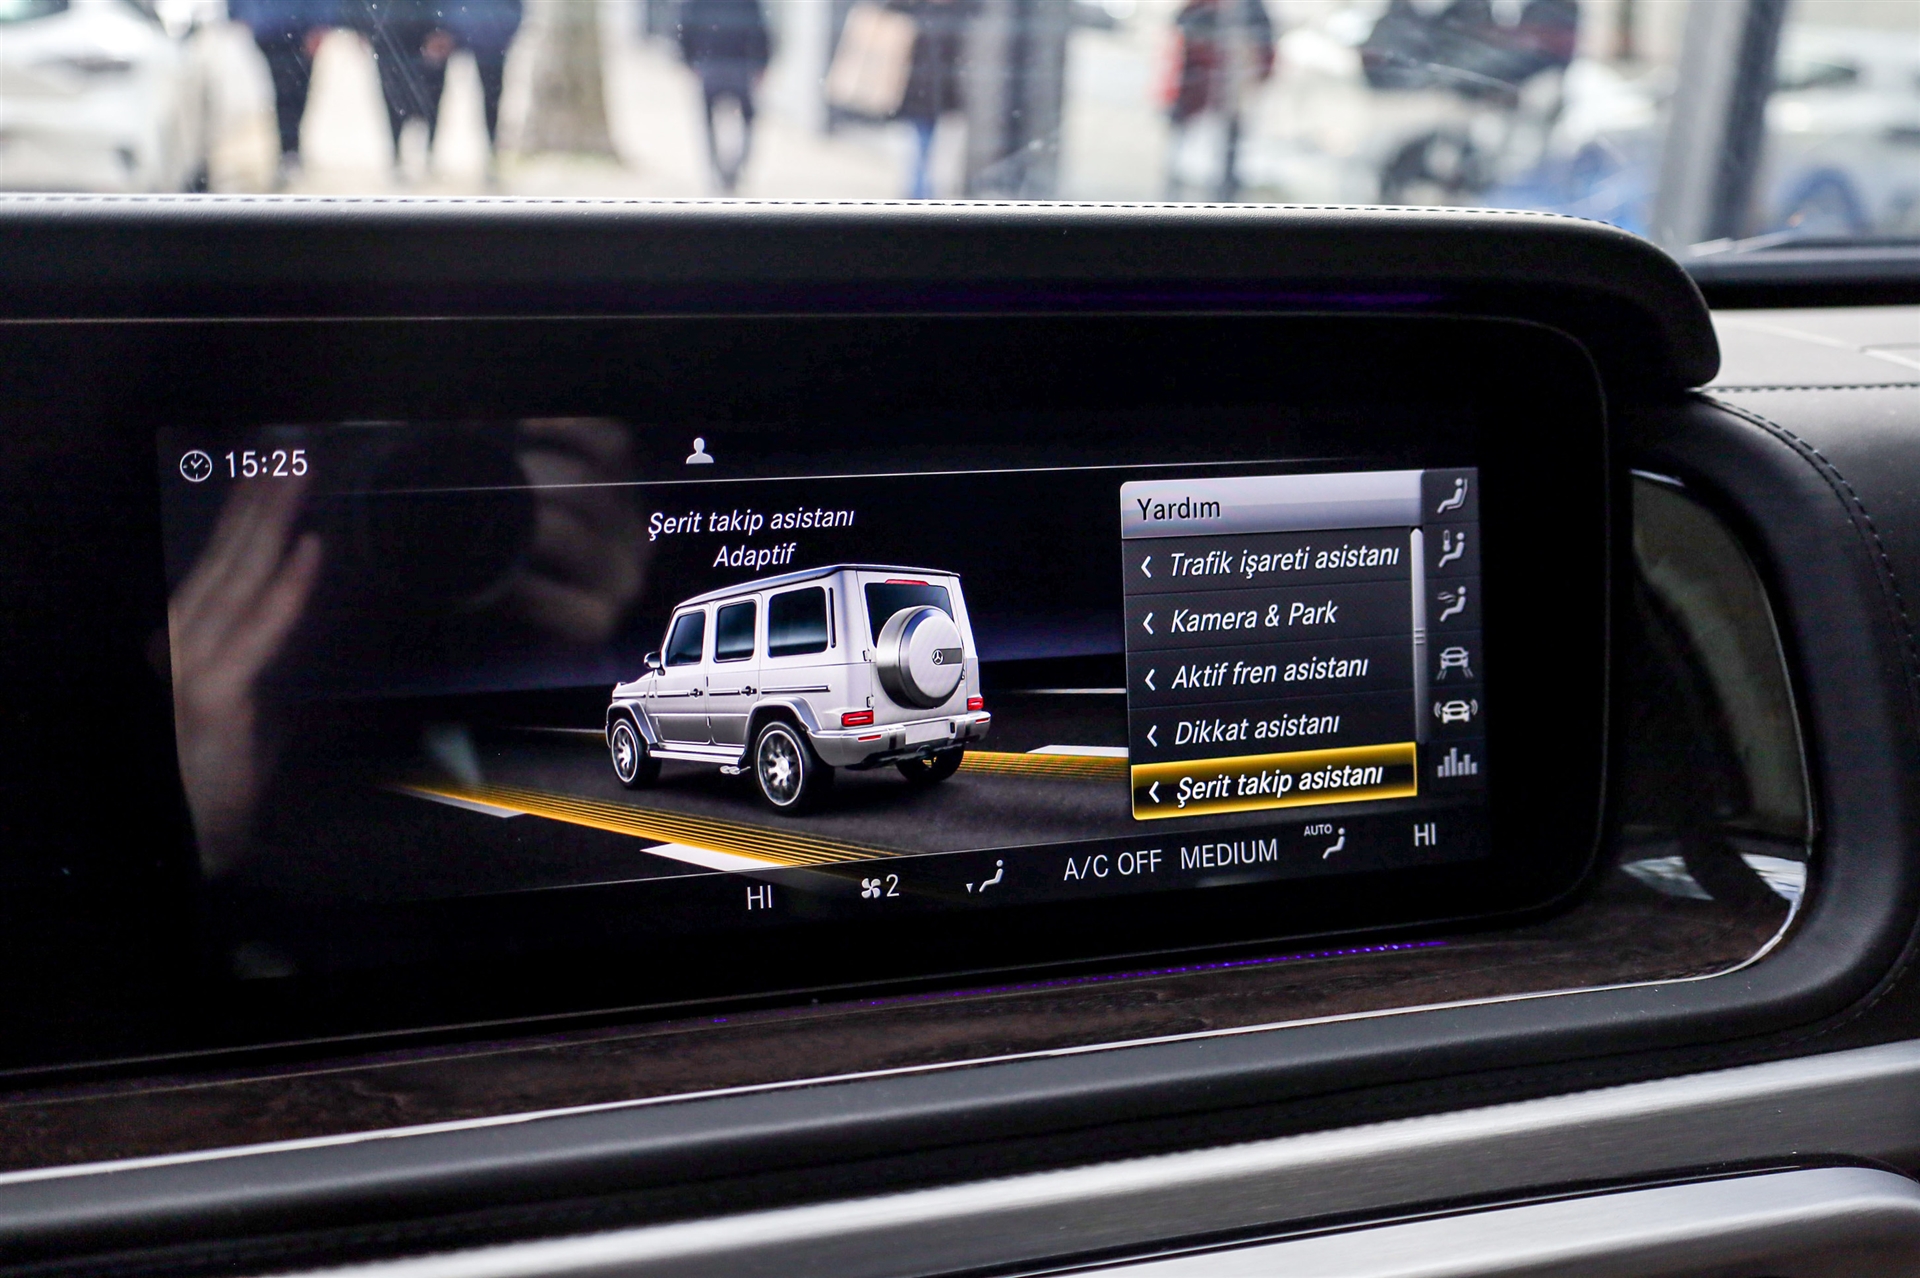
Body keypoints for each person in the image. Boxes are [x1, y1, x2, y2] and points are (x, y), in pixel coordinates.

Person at [1163, 0, 1275, 200]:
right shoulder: (1203, 6)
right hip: (1199, 91)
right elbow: (1182, 28)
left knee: (1227, 150)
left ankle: (1224, 199)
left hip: (1232, 91)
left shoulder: (1250, 7)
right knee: (1183, 153)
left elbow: (1264, 43)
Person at [230, 0, 340, 183]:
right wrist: (241, 14)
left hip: (296, 27)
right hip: (272, 28)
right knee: (283, 92)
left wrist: (321, 22)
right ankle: (288, 150)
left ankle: (290, 149)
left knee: (297, 91)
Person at [675, 0, 771, 193]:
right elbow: (760, 28)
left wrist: (689, 61)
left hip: (711, 64)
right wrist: (762, 63)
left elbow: (685, 27)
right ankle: (735, 170)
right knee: (748, 118)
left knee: (709, 120)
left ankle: (719, 171)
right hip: (739, 64)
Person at [352, 0, 458, 170]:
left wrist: (442, 27)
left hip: (423, 29)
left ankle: (427, 155)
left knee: (429, 98)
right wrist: (363, 25)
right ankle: (396, 154)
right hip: (390, 30)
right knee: (393, 97)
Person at [887, 0, 974, 200]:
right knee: (921, 145)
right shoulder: (919, 10)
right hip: (919, 93)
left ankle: (920, 192)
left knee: (928, 147)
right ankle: (919, 193)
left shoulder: (953, 13)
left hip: (936, 94)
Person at [445, 0, 524, 155]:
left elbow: (515, 9)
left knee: (491, 97)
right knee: (442, 92)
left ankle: (491, 144)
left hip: (491, 42)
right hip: (466, 37)